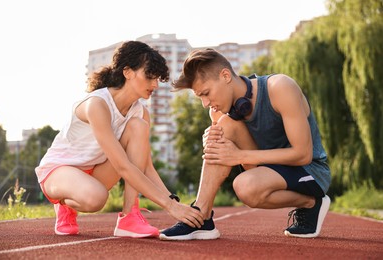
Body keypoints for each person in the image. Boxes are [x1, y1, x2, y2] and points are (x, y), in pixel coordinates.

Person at [35, 41, 203, 237]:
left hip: (96, 171)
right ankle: (65, 206)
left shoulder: (140, 112)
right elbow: (123, 166)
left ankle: (129, 217)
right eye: (150, 77)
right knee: (95, 198)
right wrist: (168, 206)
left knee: (138, 125)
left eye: (157, 79)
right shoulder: (97, 104)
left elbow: (145, 166)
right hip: (59, 171)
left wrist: (174, 202)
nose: (155, 85)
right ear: (127, 72)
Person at [159, 48, 331, 240]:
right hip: (269, 169)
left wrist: (240, 156)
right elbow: (222, 158)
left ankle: (310, 202)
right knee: (223, 127)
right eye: (200, 97)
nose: (205, 103)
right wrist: (212, 141)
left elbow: (303, 154)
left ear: (225, 76)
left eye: (206, 93)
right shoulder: (219, 112)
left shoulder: (280, 87)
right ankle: (201, 217)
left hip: (309, 170)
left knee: (245, 186)